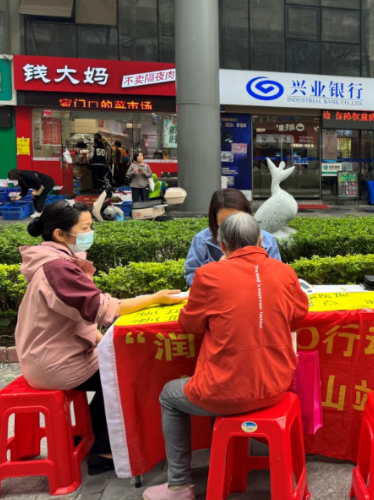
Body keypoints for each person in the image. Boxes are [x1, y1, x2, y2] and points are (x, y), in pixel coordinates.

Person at [143, 213, 309, 500]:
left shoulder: (208, 275)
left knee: (169, 395)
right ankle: (220, 464)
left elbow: (190, 325)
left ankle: (179, 485)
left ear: (222, 246)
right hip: (277, 385)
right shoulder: (285, 271)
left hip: (227, 390)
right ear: (261, 241)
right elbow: (299, 313)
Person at [15, 200, 182, 475]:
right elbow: (102, 308)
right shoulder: (57, 268)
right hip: (56, 362)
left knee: (115, 368)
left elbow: (77, 313)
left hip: (50, 355)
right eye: (85, 228)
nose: (90, 232)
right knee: (127, 374)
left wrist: (101, 340)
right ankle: (103, 451)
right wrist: (154, 298)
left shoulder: (52, 260)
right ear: (59, 234)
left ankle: (88, 434)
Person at [184, 189, 281, 287]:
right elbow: (191, 279)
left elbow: (276, 278)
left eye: (237, 219)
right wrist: (216, 271)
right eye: (224, 221)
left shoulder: (267, 240)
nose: (232, 226)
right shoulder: (201, 240)